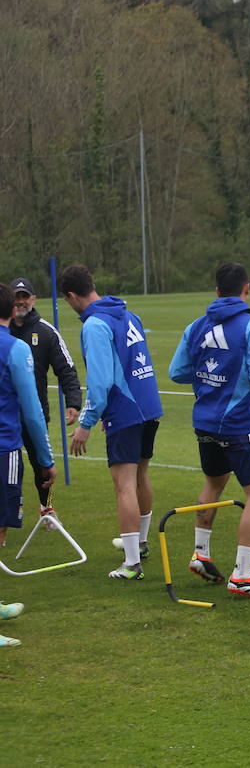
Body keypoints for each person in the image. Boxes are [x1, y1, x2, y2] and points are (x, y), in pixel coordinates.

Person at [167, 262, 250, 599]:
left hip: (204, 421)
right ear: (247, 289)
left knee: (214, 482)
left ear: (216, 291)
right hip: (238, 423)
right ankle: (242, 575)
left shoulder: (197, 325)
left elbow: (177, 372)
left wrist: (208, 379)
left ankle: (201, 554)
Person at [59, 265, 163, 580]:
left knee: (124, 484)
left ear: (72, 296)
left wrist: (87, 423)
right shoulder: (129, 314)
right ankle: (140, 542)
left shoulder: (94, 325)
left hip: (126, 409)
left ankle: (132, 564)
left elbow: (101, 383)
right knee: (141, 476)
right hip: (148, 405)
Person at [1, 282, 56, 646]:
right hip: (3, 450)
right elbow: (33, 412)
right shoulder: (15, 348)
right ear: (11, 310)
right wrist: (46, 460)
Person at [7, 277, 81, 527]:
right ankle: (8, 512)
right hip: (5, 414)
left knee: (41, 464)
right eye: (16, 298)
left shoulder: (46, 331)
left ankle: (46, 507)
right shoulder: (3, 331)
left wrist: (73, 401)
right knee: (7, 465)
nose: (20, 302)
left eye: (24, 297)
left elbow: (67, 368)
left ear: (33, 299)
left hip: (35, 412)